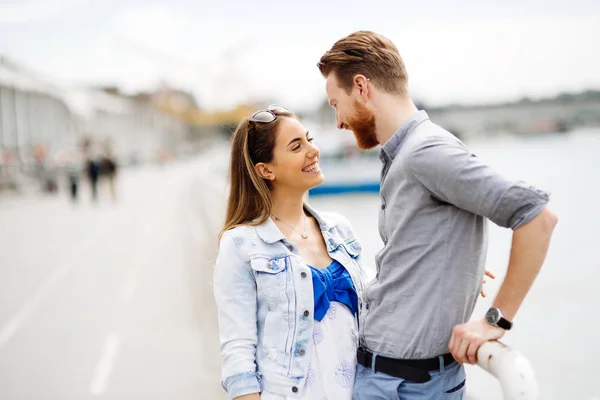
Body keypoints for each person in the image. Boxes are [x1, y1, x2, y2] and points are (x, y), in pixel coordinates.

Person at [317, 31, 558, 399]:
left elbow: (536, 216)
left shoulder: (425, 151)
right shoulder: (403, 155)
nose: (338, 122)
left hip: (408, 386)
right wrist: (453, 270)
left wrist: (496, 320)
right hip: (386, 377)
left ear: (362, 87)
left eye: (336, 104)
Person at [213, 105, 367, 400]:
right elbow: (237, 351)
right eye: (297, 146)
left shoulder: (339, 229)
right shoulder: (241, 244)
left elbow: (376, 302)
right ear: (265, 170)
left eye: (310, 139)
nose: (314, 151)